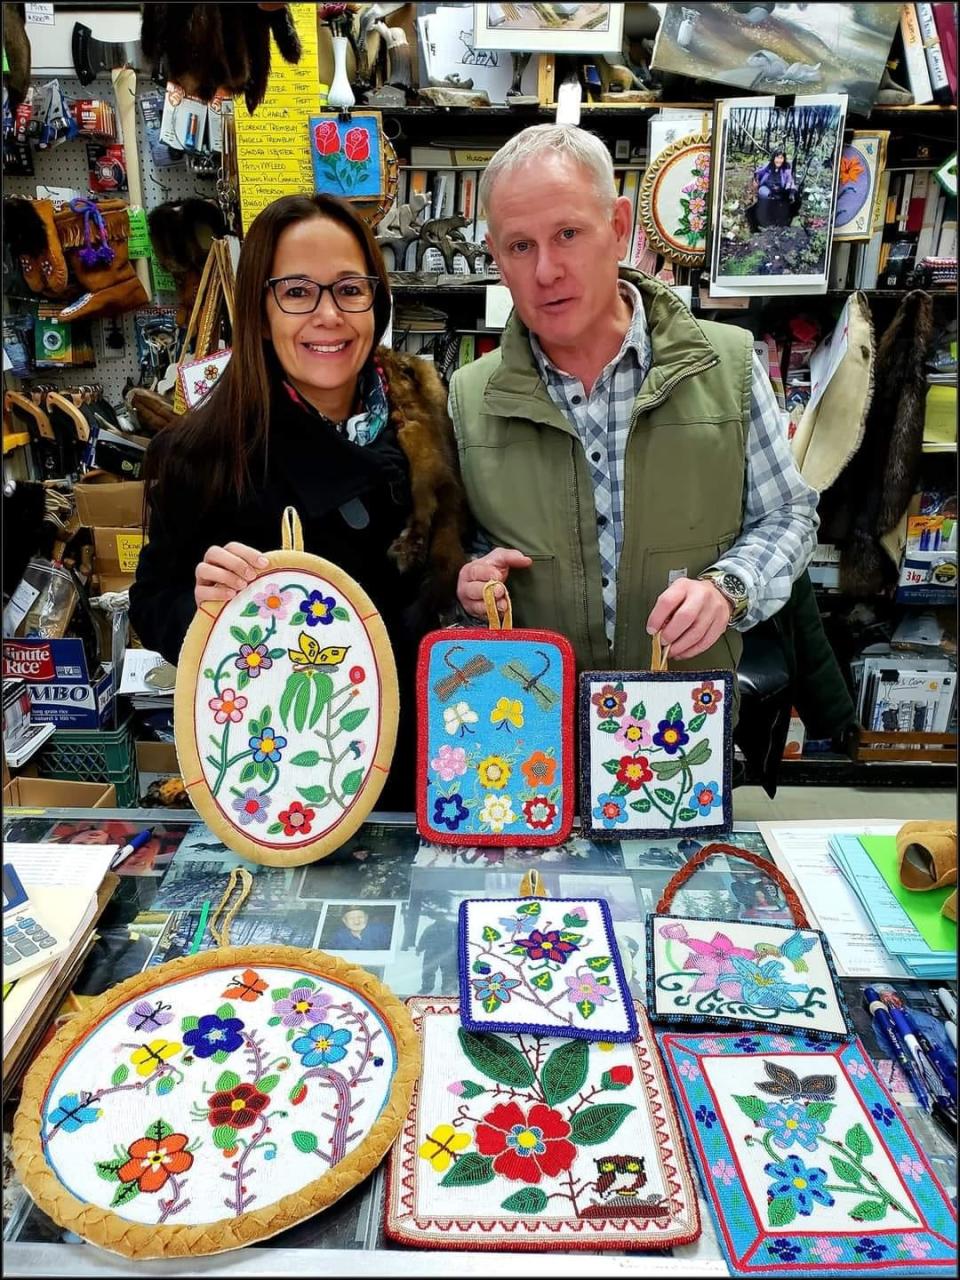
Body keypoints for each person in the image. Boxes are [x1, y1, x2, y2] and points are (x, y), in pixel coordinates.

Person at [130, 194, 468, 810]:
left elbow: (439, 578)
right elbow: (152, 603)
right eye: (296, 292)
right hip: (285, 779)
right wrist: (202, 607)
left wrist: (468, 580)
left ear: (376, 300)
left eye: (349, 289)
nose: (328, 315)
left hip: (427, 769)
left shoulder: (427, 420)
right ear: (259, 310)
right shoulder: (203, 452)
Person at [450, 124, 819, 690]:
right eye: (521, 246)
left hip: (678, 729)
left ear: (618, 227)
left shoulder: (728, 367)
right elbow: (470, 546)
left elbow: (786, 515)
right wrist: (471, 582)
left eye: (568, 233)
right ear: (498, 259)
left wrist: (730, 588)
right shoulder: (468, 398)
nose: (546, 270)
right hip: (530, 732)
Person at [752, 149, 797, 229]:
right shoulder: (768, 166)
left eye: (781, 158)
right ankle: (763, 221)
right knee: (764, 194)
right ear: (773, 158)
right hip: (767, 188)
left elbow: (790, 181)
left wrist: (791, 192)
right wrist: (756, 180)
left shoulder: (786, 168)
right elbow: (758, 172)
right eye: (777, 158)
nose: (779, 160)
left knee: (783, 203)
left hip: (780, 191)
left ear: (783, 159)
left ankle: (780, 222)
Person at [327, 905, 392, 951]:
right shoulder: (338, 937)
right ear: (344, 920)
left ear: (366, 917)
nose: (357, 922)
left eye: (360, 917)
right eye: (351, 918)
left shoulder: (382, 930)